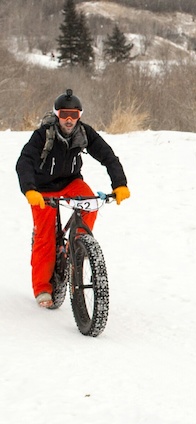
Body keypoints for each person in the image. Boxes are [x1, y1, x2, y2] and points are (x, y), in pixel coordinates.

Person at [16, 89, 130, 308]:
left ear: (80, 116)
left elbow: (108, 156)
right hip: (42, 188)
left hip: (70, 182)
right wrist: (30, 189)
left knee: (91, 204)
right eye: (64, 114)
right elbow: (25, 161)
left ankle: (76, 247)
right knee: (45, 235)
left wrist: (120, 184)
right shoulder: (43, 134)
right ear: (56, 114)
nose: (69, 120)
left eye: (74, 115)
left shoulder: (84, 133)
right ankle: (42, 288)